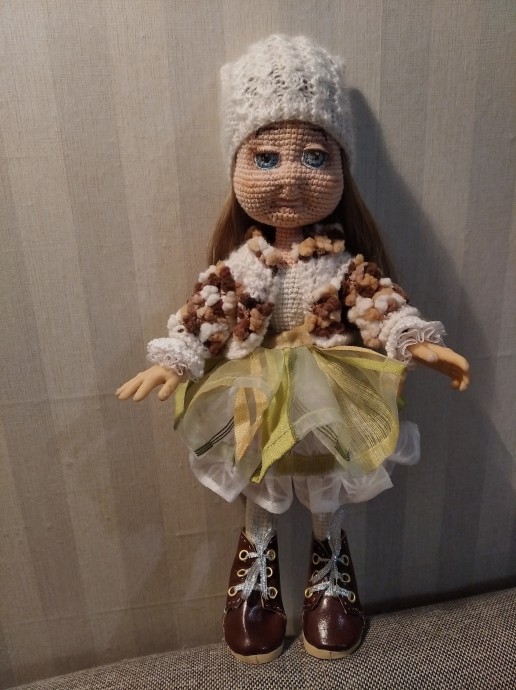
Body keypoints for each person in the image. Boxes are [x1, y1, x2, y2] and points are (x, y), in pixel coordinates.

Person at [116, 35, 469, 664]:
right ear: (237, 166)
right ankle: (257, 558)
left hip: (329, 387)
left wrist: (414, 341)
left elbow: (376, 301)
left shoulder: (340, 261)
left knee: (327, 478)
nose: (292, 177)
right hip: (253, 388)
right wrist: (175, 356)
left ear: (340, 168)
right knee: (261, 477)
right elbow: (211, 308)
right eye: (266, 158)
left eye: (314, 156)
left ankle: (329, 563)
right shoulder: (244, 263)